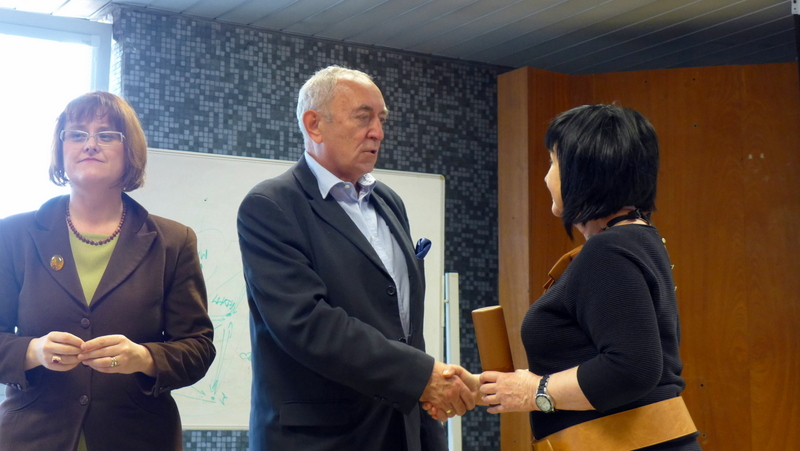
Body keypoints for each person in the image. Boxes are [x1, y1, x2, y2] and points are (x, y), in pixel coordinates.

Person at [237, 65, 475, 451]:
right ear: (314, 125)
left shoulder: (389, 203)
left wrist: (427, 417)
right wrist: (422, 376)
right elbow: (307, 324)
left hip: (403, 432)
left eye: (381, 119)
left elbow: (403, 328)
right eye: (363, 117)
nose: (378, 132)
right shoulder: (271, 205)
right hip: (321, 440)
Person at [0, 91, 216, 450]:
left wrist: (144, 358)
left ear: (130, 151)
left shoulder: (173, 242)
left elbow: (198, 348)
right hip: (33, 437)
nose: (90, 144)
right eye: (76, 134)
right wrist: (33, 351)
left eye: (106, 135)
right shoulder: (12, 235)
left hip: (139, 438)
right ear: (61, 148)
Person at [478, 105, 701, 450]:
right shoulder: (639, 238)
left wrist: (534, 392)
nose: (546, 177)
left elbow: (632, 369)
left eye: (553, 162)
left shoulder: (608, 250)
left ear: (583, 170)